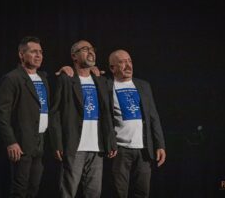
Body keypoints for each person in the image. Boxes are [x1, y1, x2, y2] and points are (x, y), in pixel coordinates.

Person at [58, 49, 166, 198]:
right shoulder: (105, 84)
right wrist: (67, 68)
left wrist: (160, 144)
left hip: (144, 149)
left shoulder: (143, 85)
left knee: (142, 192)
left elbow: (153, 116)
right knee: (118, 193)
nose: (127, 65)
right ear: (112, 68)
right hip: (119, 150)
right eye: (121, 62)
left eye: (129, 61)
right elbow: (83, 76)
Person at [49, 40, 117, 198]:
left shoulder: (100, 80)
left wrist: (111, 140)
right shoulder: (65, 79)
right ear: (74, 56)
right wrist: (57, 143)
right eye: (85, 49)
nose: (91, 52)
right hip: (74, 146)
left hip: (97, 147)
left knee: (94, 193)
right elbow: (54, 113)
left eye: (92, 49)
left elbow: (107, 113)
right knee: (67, 192)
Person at [0, 36, 49, 198]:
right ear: (21, 54)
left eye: (40, 52)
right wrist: (11, 142)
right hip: (22, 142)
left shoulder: (43, 77)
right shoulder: (12, 78)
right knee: (20, 189)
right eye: (33, 52)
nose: (38, 55)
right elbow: (2, 114)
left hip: (40, 141)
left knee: (34, 188)